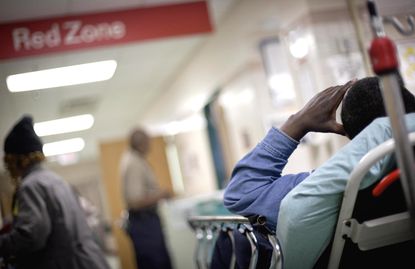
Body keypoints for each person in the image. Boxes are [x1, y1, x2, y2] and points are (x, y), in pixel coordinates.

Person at [223, 77, 415, 268]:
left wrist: (298, 123)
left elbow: (241, 193)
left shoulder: (333, 184)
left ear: (349, 135)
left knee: (230, 240)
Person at [0, 115, 110, 269]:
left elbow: (32, 237)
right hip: (90, 260)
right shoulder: (56, 180)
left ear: (16, 159)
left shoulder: (30, 186)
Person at [119, 127, 173, 269]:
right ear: (142, 143)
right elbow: (135, 201)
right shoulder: (134, 163)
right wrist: (161, 194)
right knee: (156, 263)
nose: (150, 146)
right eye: (149, 142)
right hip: (144, 223)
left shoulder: (135, 160)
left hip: (146, 222)